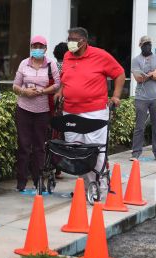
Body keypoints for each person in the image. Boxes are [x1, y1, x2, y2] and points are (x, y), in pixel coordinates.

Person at [54, 27, 125, 197]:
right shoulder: (67, 56)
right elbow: (66, 78)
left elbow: (120, 73)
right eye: (68, 38)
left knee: (95, 150)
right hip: (70, 111)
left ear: (84, 42)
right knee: (76, 151)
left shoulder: (100, 55)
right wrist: (60, 92)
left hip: (95, 112)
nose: (69, 42)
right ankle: (85, 187)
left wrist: (115, 96)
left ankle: (99, 186)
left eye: (73, 39)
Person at [12, 35, 60, 192]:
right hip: (24, 108)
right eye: (35, 46)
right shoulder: (24, 63)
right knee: (24, 146)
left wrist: (43, 91)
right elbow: (15, 86)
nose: (37, 49)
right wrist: (25, 91)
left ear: (45, 49)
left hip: (43, 110)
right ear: (31, 47)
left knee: (39, 146)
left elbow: (58, 84)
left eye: (40, 46)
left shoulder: (51, 64)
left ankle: (38, 179)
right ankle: (21, 181)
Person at [130, 35, 156, 161]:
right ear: (140, 46)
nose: (147, 46)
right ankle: (136, 153)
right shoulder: (136, 60)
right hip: (141, 97)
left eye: (149, 43)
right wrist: (153, 73)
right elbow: (138, 78)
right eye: (145, 44)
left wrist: (151, 74)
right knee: (139, 126)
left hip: (155, 97)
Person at [52, 41, 69, 180]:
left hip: (53, 104)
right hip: (66, 105)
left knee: (54, 135)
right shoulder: (68, 67)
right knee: (63, 137)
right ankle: (60, 167)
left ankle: (54, 166)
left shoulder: (52, 66)